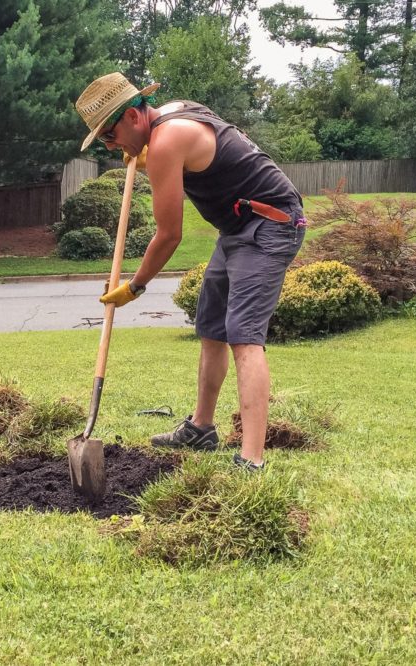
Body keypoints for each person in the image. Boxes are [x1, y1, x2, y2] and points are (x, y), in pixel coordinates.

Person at [73, 72, 306, 471]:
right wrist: (149, 155)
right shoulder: (171, 117)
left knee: (244, 336)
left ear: (133, 116)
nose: (113, 149)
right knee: (211, 326)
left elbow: (169, 236)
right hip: (236, 227)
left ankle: (251, 459)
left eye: (111, 136)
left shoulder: (166, 140)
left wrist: (136, 287)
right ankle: (202, 427)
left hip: (270, 224)